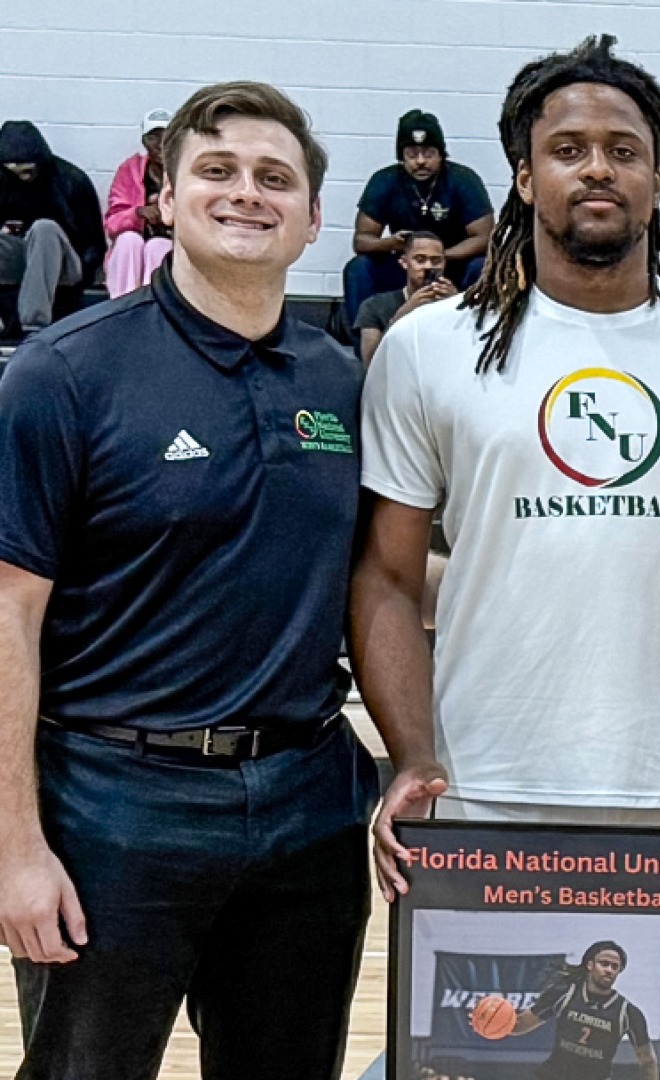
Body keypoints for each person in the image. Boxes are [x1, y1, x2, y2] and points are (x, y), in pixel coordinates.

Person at [352, 36, 660, 901]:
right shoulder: (428, 350)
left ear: (657, 181)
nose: (598, 168)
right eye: (568, 150)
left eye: (623, 151)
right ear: (525, 179)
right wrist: (411, 752)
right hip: (478, 788)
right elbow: (386, 576)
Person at [0, 81, 374, 1079]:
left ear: (312, 218)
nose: (246, 192)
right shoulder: (62, 374)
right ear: (164, 198)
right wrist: (15, 847)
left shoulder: (338, 379)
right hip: (113, 807)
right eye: (218, 170)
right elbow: (8, 614)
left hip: (308, 802)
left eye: (274, 178)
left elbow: (376, 572)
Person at [343, 109, 493, 331]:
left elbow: (485, 237)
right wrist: (391, 244)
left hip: (452, 264)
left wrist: (439, 257)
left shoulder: (463, 180)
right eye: (412, 155)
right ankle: (363, 341)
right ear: (401, 158)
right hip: (404, 266)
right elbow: (362, 240)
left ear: (441, 155)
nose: (421, 161)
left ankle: (477, 335)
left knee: (481, 266)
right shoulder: (385, 181)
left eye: (429, 154)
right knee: (359, 268)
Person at [479, 940, 659, 1080]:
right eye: (604, 964)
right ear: (590, 965)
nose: (609, 970)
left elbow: (647, 1061)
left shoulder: (628, 1013)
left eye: (615, 967)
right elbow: (520, 1024)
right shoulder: (564, 994)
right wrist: (490, 1023)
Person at [0, 120, 105, 338]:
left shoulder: (70, 179)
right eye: (16, 171)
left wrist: (83, 277)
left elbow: (94, 242)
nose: (24, 177)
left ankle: (34, 324)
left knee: (44, 229)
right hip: (19, 259)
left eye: (29, 170)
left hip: (64, 262)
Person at [354, 230, 457, 363]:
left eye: (436, 261)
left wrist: (459, 306)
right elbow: (371, 363)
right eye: (420, 260)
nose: (428, 266)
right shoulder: (374, 306)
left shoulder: (454, 301)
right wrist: (401, 316)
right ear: (404, 262)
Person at [104, 108, 174, 297]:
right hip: (133, 247)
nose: (160, 143)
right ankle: (123, 304)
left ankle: (154, 305)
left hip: (171, 243)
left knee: (157, 247)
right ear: (144, 141)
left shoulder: (186, 170)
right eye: (153, 137)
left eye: (166, 136)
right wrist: (137, 213)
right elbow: (112, 224)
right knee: (129, 240)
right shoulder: (130, 170)